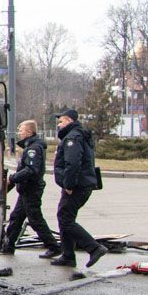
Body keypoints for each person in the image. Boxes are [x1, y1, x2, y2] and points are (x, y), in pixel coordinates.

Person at [52, 109, 107, 277]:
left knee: (66, 219)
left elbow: (73, 163)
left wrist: (68, 184)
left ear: (68, 120)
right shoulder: (78, 135)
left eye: (60, 122)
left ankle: (94, 248)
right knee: (64, 216)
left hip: (76, 186)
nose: (59, 125)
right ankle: (68, 255)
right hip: (80, 184)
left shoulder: (72, 137)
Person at [0, 119, 62, 257]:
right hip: (26, 189)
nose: (19, 133)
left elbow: (31, 169)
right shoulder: (31, 146)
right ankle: (8, 245)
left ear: (29, 132)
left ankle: (53, 246)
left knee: (35, 219)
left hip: (31, 189)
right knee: (16, 217)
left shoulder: (33, 148)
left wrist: (13, 178)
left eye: (21, 130)